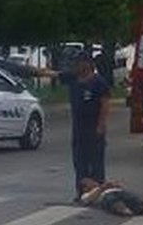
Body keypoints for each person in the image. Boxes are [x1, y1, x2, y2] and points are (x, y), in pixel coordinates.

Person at [35, 52, 111, 198]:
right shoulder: (73, 78)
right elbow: (53, 74)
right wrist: (34, 71)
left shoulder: (99, 82)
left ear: (89, 64)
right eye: (77, 62)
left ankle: (98, 191)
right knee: (79, 161)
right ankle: (82, 191)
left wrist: (101, 125)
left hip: (94, 127)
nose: (78, 65)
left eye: (82, 62)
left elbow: (105, 105)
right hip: (78, 128)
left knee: (95, 162)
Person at [78, 178, 143, 217]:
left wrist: (115, 185)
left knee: (132, 197)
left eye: (92, 180)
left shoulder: (102, 185)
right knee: (111, 199)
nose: (93, 182)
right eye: (89, 182)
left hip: (119, 192)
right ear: (85, 188)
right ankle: (126, 211)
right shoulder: (86, 194)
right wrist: (102, 188)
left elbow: (119, 188)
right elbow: (88, 200)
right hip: (106, 196)